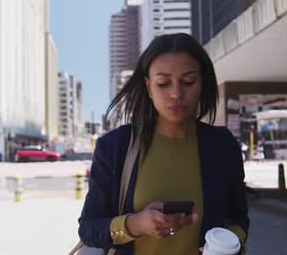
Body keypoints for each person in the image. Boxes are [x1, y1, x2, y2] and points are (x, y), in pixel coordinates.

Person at [78, 33, 249, 254]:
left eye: (188, 81)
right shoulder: (115, 147)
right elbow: (89, 228)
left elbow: (238, 218)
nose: (176, 93)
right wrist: (135, 224)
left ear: (202, 82)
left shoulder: (222, 145)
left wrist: (229, 243)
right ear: (148, 87)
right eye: (163, 83)